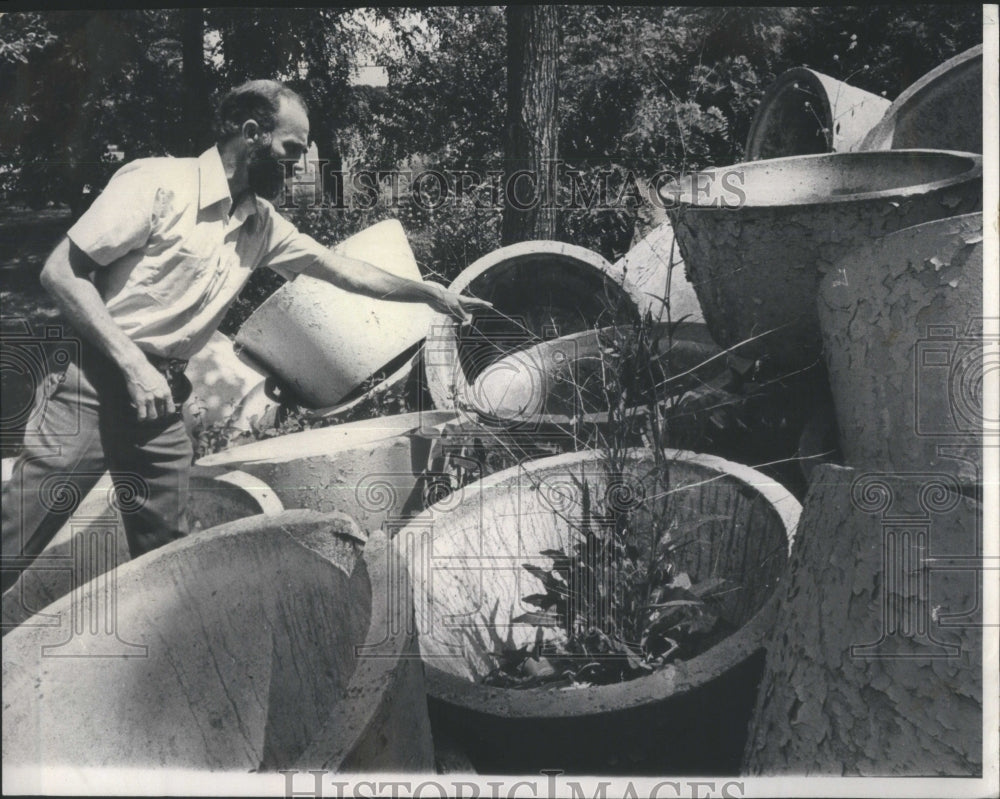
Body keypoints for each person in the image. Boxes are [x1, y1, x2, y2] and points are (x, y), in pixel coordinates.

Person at [1, 79, 489, 593]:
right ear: (252, 133)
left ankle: (176, 663)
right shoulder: (159, 184)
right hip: (95, 381)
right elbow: (59, 273)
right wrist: (132, 364)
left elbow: (339, 268)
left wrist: (426, 292)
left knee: (167, 555)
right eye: (291, 151)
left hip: (161, 397)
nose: (299, 165)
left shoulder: (262, 224)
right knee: (23, 525)